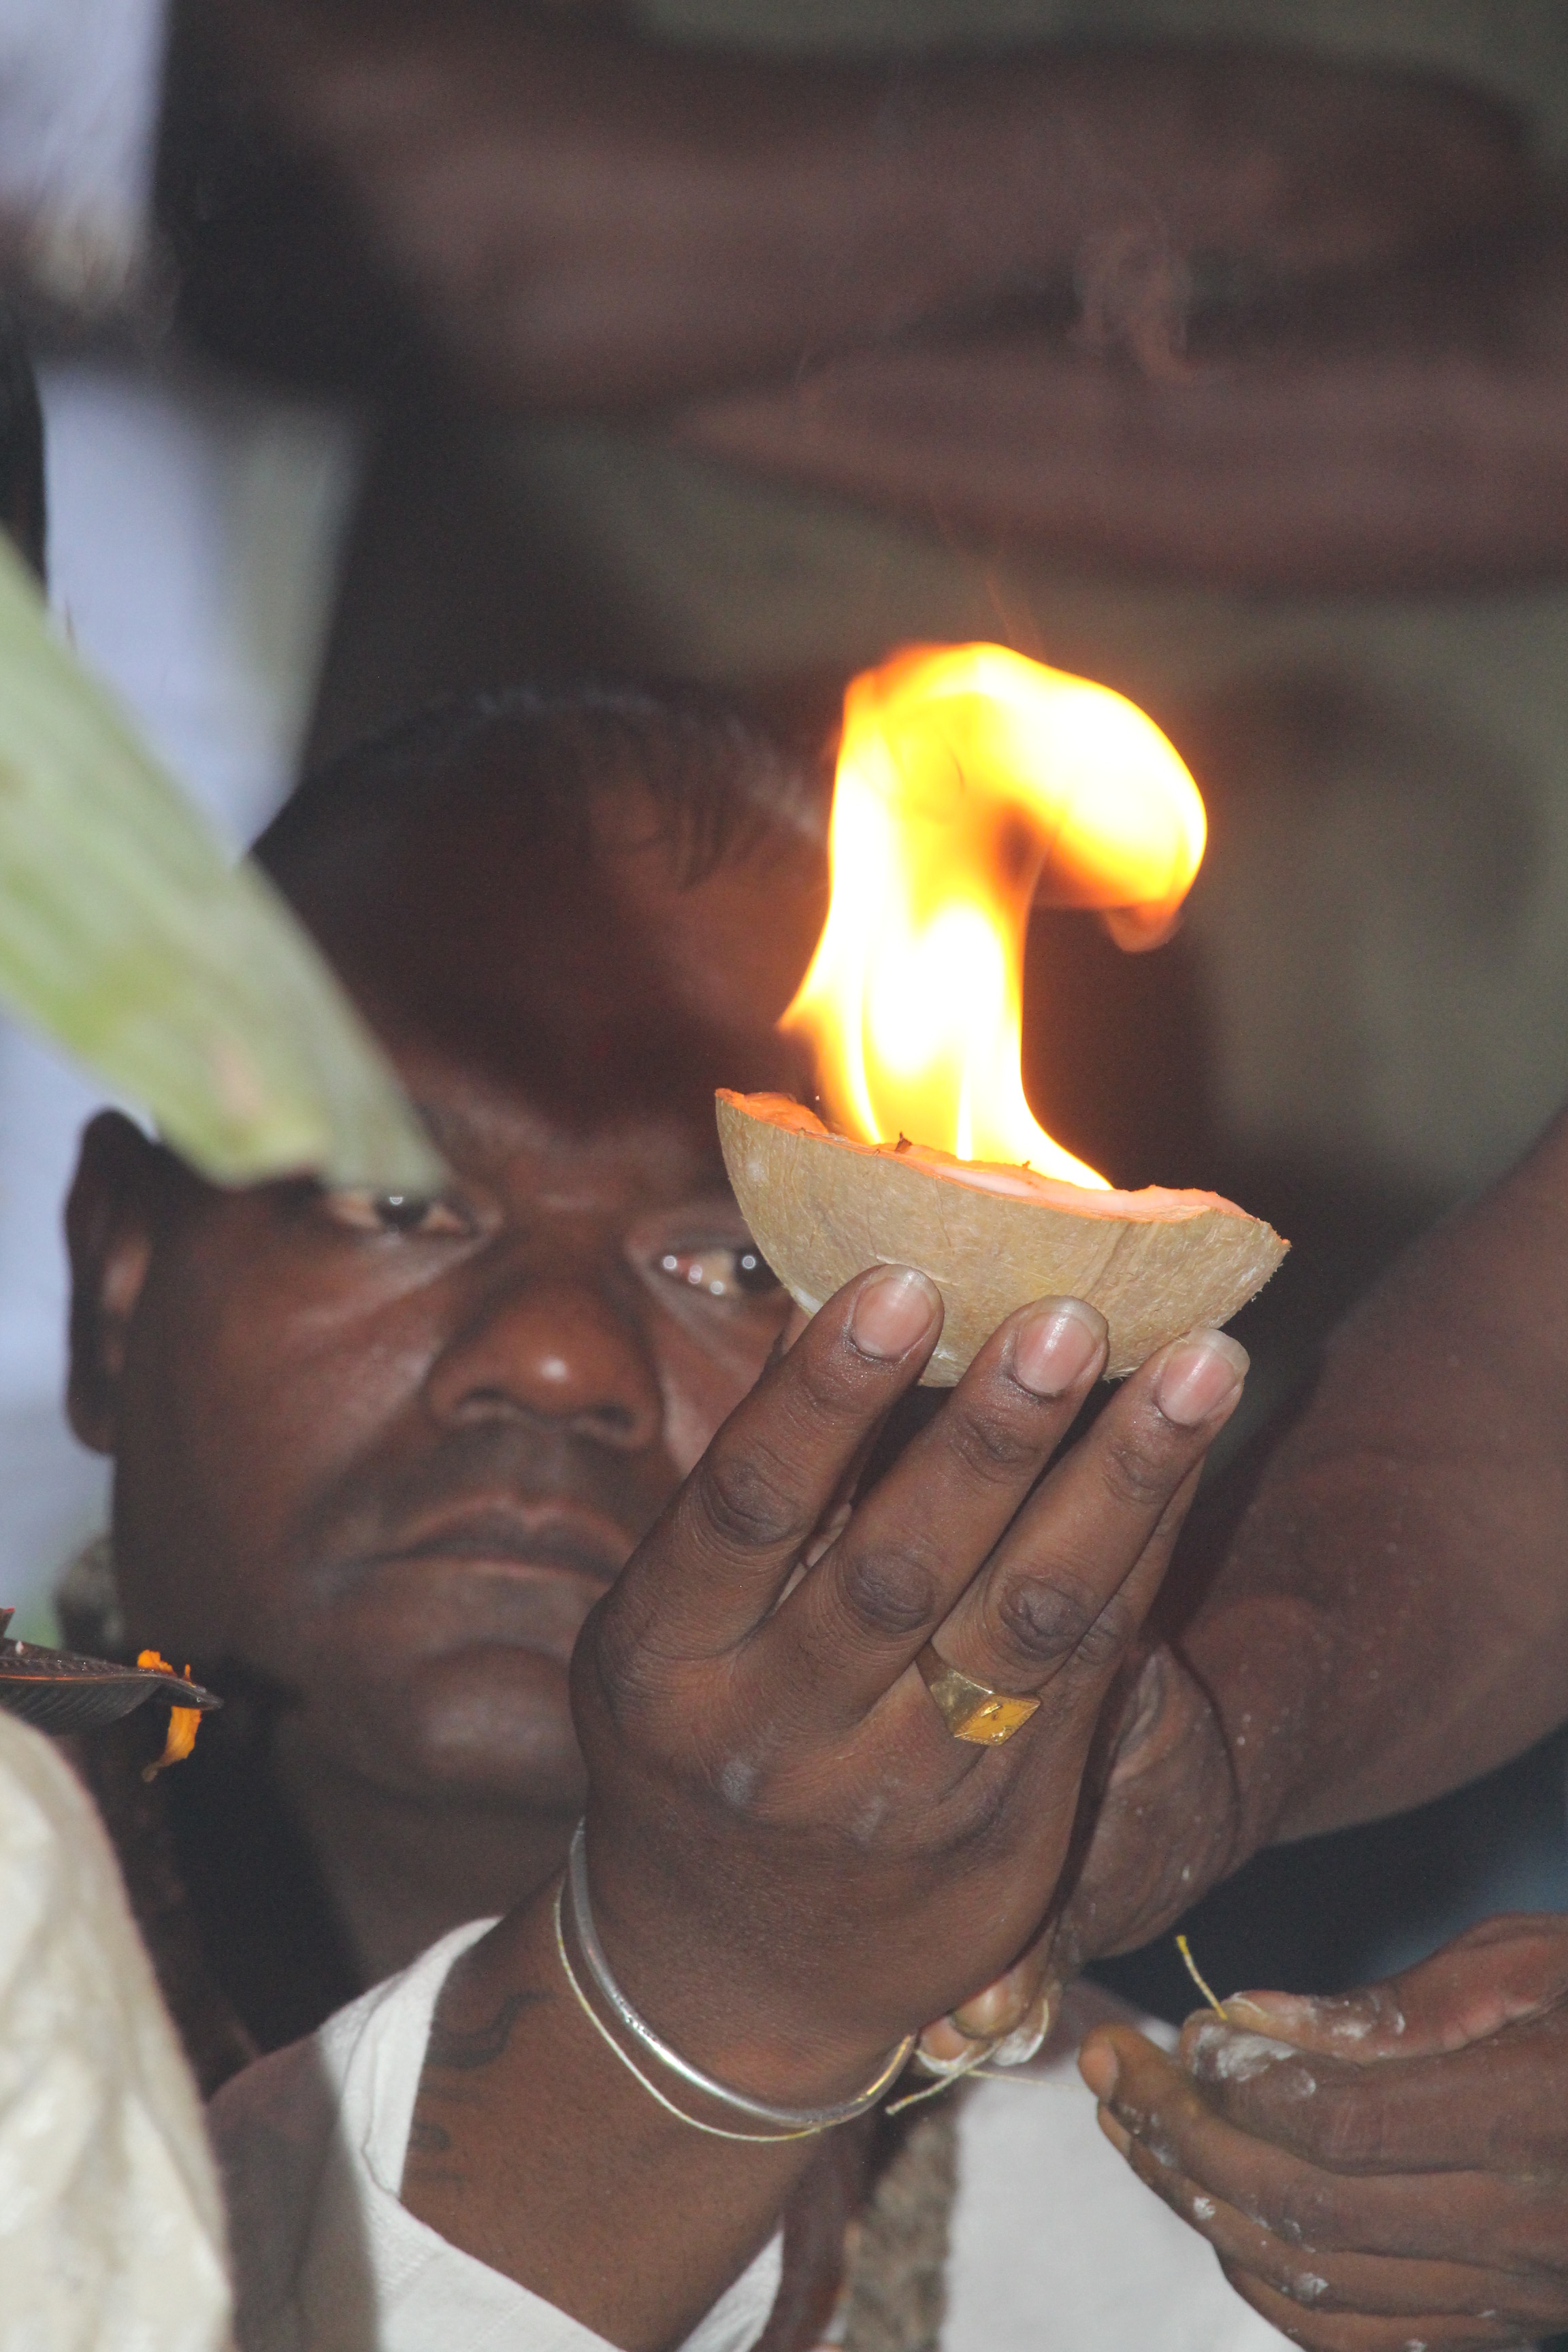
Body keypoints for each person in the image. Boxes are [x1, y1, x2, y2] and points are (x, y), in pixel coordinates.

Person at [64, 681, 1277, 2347]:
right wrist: (712, 2029)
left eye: (729, 1258)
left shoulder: (1154, 2232)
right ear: (112, 1290)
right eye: (396, 1200)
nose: (558, 1360)